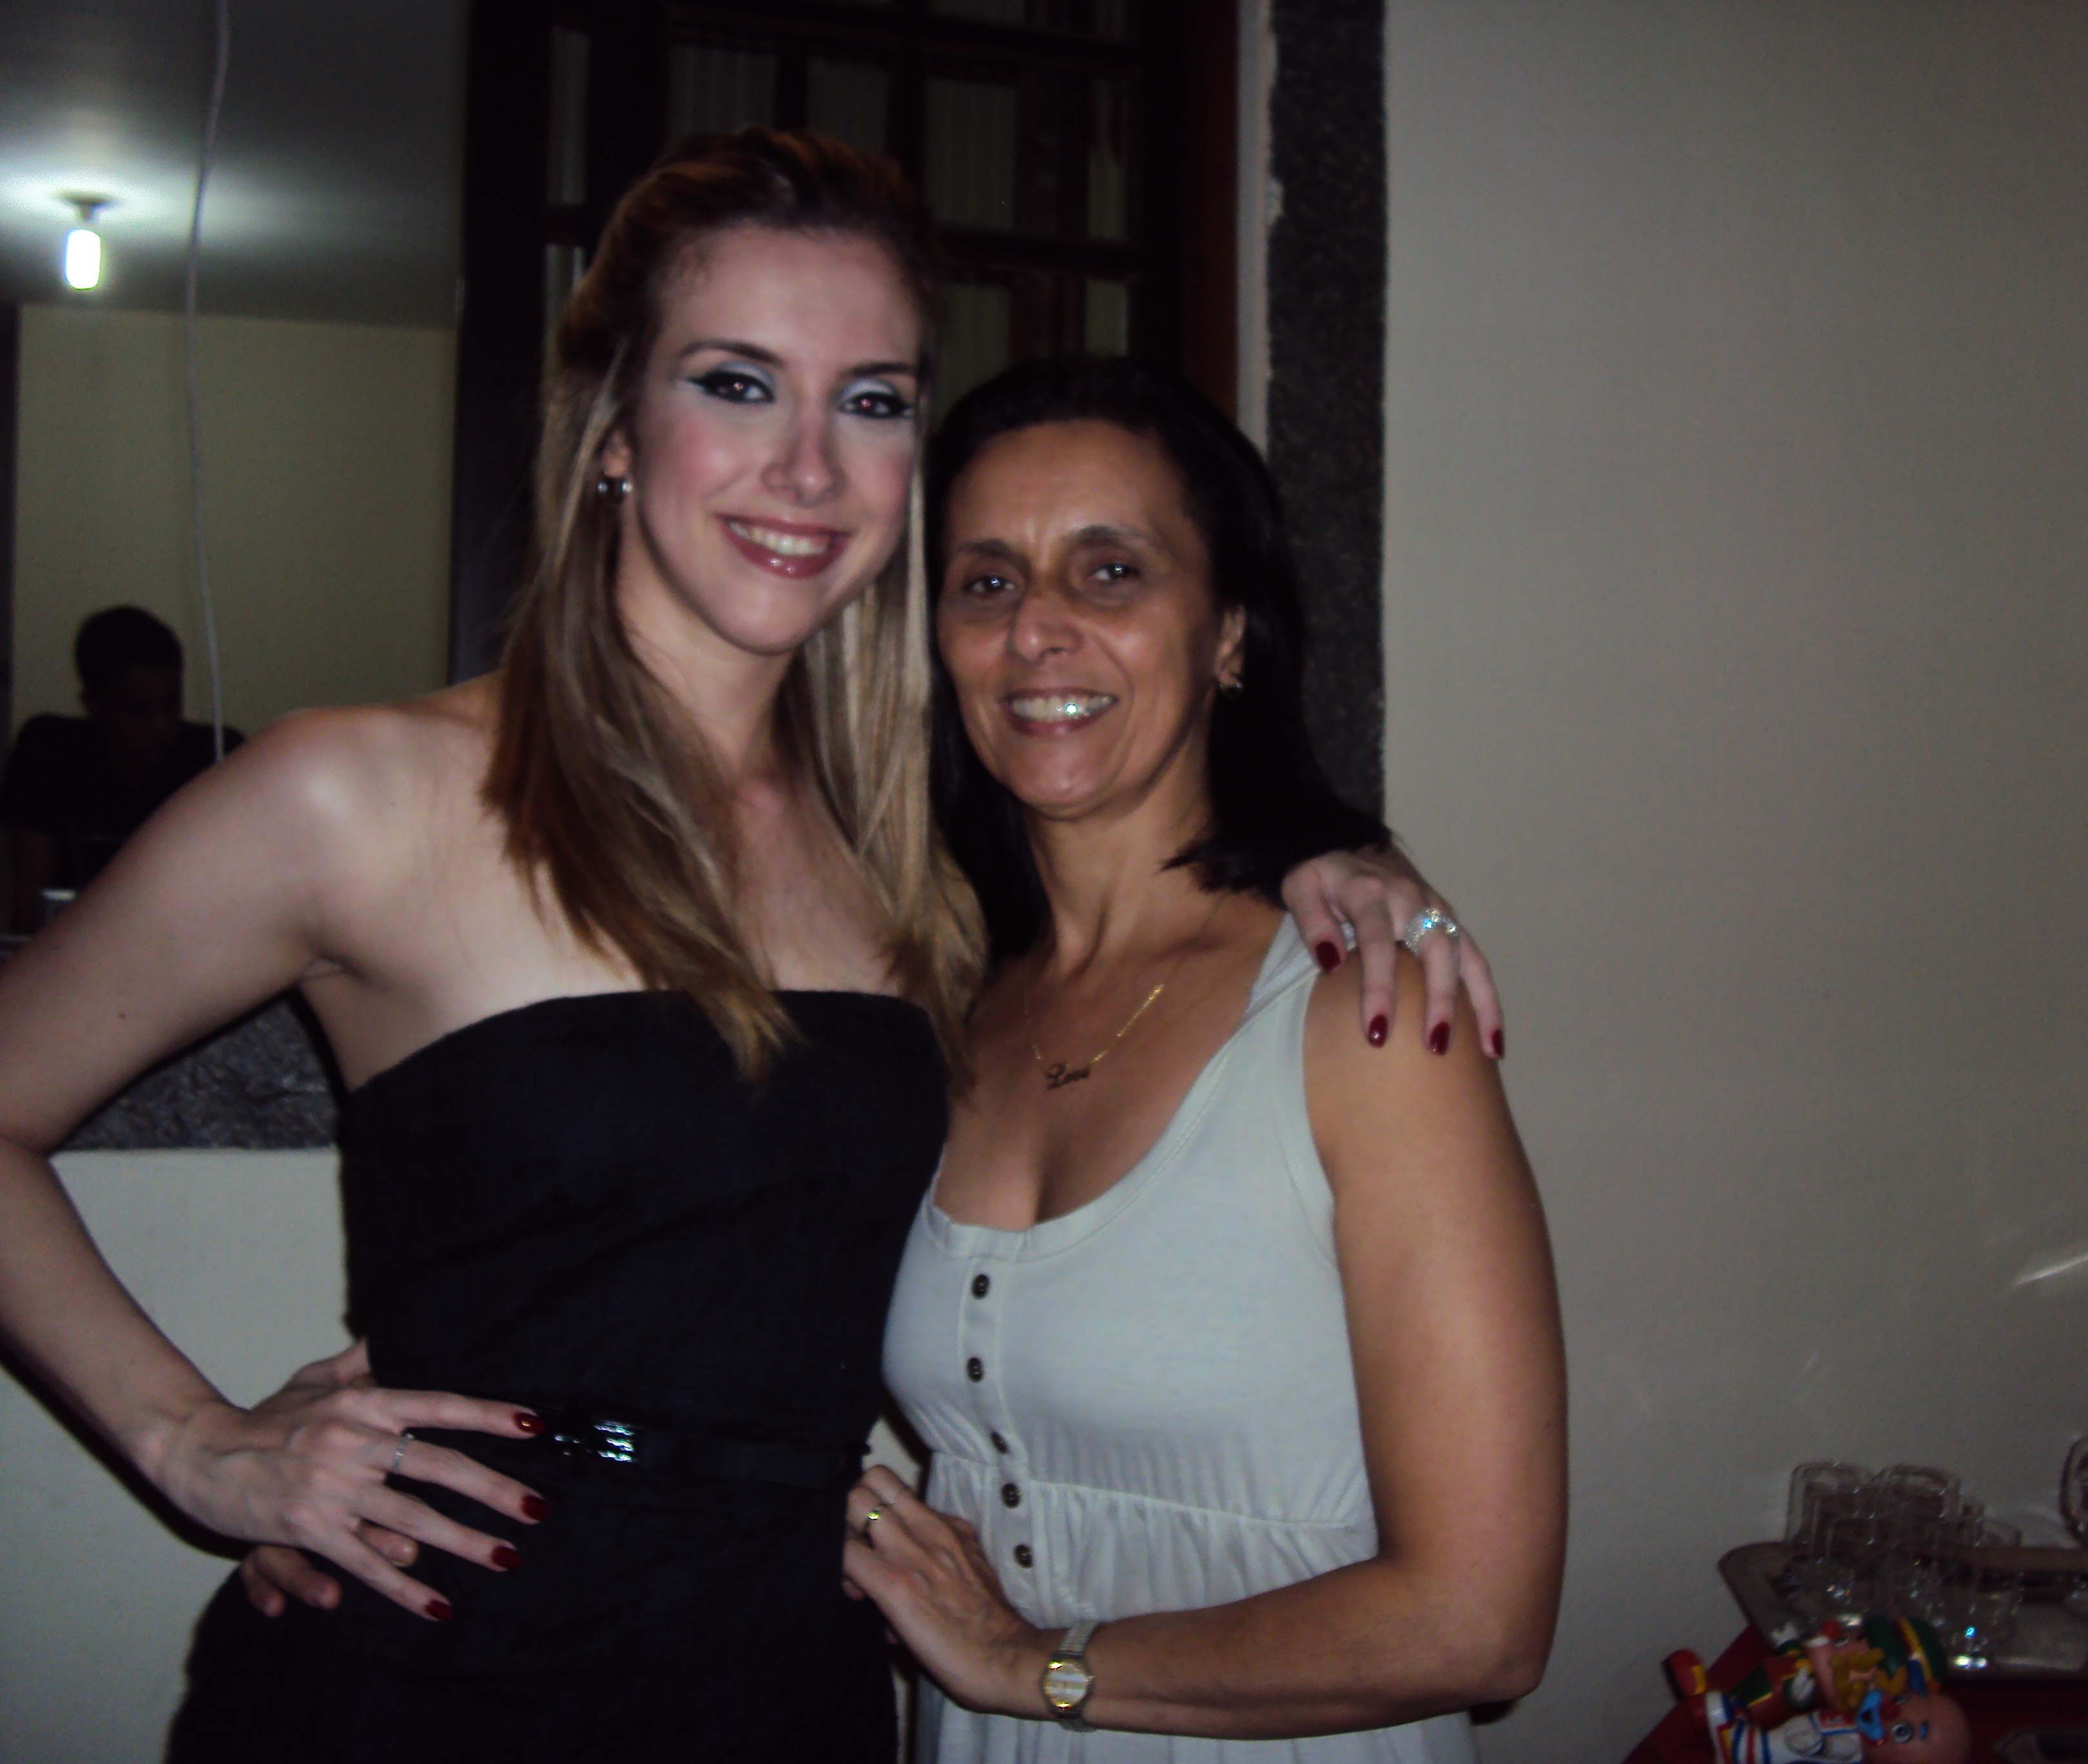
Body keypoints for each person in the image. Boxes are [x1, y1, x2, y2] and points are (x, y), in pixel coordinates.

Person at [0, 133, 1490, 1761]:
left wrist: (1351, 862)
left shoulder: (920, 851)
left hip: (794, 1687)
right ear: (612, 428)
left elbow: (1152, 838)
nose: (808, 468)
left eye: (872, 401)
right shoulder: (362, 792)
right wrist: (192, 1441)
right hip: (429, 1688)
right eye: (736, 384)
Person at [843, 358, 1567, 1759]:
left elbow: (1481, 1621)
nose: (1036, 626)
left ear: (1229, 632)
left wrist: (1033, 1665)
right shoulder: (931, 1003)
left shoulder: (1360, 1010)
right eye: (986, 582)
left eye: (1109, 571)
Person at [1, 605, 242, 932]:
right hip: (73, 948)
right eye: (138, 711)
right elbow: (31, 907)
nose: (160, 725)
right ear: (93, 705)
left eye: (172, 704)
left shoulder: (214, 755)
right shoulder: (49, 753)